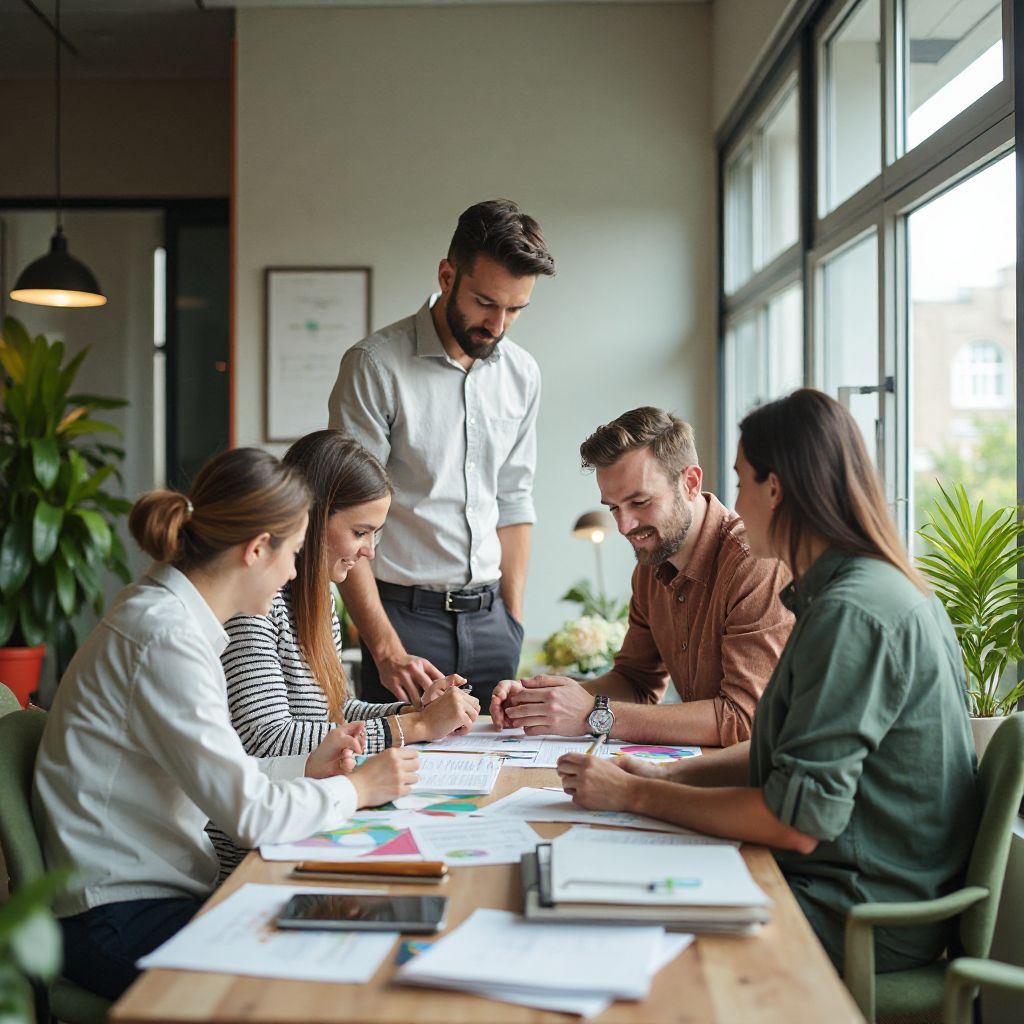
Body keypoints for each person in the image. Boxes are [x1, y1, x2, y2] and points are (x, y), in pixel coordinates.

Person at [556, 389, 977, 973]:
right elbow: (779, 755)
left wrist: (636, 794)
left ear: (774, 489)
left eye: (739, 480)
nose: (732, 502)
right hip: (840, 879)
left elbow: (796, 823)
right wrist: (663, 774)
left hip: (854, 908)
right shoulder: (852, 590)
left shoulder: (850, 613)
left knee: (609, 932)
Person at [32, 448, 421, 1000]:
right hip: (117, 917)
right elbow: (250, 815)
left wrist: (308, 765)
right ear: (257, 549)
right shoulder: (165, 637)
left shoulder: (170, 620)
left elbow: (222, 773)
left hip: (149, 895)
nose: (294, 571)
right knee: (324, 981)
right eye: (292, 553)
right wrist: (357, 788)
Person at [211, 431, 480, 876]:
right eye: (360, 532)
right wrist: (411, 726)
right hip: (258, 849)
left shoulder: (318, 601)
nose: (369, 551)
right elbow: (265, 739)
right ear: (312, 519)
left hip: (303, 820)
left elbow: (335, 711)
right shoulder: (254, 603)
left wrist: (413, 709)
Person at [328, 198, 555, 708]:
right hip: (405, 621)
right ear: (447, 275)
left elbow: (515, 499)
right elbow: (344, 513)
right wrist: (385, 648)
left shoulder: (522, 374)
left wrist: (512, 620)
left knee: (501, 774)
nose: (498, 325)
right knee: (405, 776)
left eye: (515, 309)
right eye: (486, 303)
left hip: (494, 619)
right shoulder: (375, 367)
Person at [491, 406, 792, 746]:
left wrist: (594, 714)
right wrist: (545, 701)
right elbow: (636, 681)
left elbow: (743, 721)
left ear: (690, 483)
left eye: (640, 502)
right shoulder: (650, 567)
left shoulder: (755, 564)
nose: (624, 526)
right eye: (614, 508)